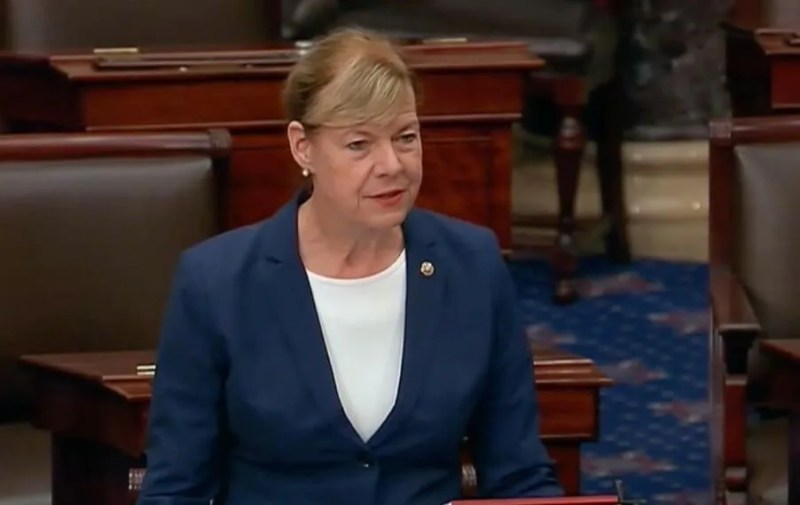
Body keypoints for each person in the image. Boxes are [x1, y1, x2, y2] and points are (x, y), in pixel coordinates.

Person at [138, 27, 562, 505]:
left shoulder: (472, 266)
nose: (392, 165)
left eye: (405, 137)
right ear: (303, 147)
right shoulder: (216, 282)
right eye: (359, 144)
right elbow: (176, 488)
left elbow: (520, 474)